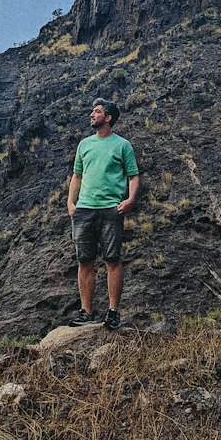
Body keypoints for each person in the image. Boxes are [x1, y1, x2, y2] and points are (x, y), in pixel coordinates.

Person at [67, 97, 139, 330]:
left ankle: (113, 312)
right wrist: (70, 201)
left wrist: (130, 200)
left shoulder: (122, 145)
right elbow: (77, 176)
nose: (92, 114)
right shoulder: (84, 145)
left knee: (112, 260)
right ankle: (86, 312)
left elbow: (133, 175)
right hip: (85, 208)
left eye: (96, 111)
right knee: (84, 260)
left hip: (111, 209)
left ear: (108, 118)